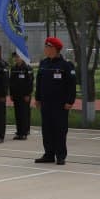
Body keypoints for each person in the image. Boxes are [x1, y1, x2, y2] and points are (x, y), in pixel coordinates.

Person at [34, 36, 76, 165]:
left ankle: (60, 155)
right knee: (47, 130)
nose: (45, 49)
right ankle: (49, 154)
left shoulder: (66, 65)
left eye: (48, 47)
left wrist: (70, 101)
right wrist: (38, 98)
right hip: (46, 103)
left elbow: (71, 84)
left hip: (60, 105)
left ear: (55, 49)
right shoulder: (44, 63)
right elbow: (39, 82)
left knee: (60, 130)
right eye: (46, 47)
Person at [8, 51, 32, 140]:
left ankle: (24, 132)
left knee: (24, 113)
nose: (16, 59)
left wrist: (27, 94)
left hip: (24, 95)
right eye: (15, 57)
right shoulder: (14, 68)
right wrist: (11, 94)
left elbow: (29, 82)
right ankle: (19, 132)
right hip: (16, 95)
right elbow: (11, 82)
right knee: (18, 114)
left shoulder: (27, 68)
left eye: (18, 57)